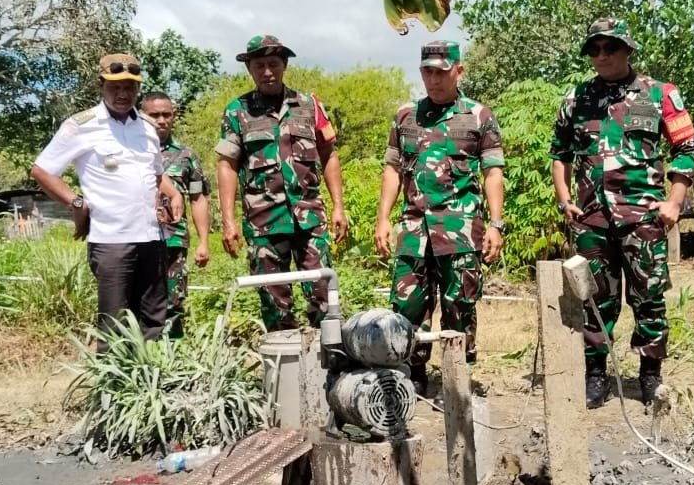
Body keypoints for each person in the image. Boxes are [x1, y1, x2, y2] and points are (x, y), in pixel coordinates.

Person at [550, 18, 694, 408]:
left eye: (610, 48)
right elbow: (560, 155)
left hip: (643, 215)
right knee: (594, 298)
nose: (601, 56)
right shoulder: (576, 99)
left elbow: (686, 148)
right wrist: (565, 199)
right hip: (592, 218)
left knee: (648, 296)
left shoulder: (660, 94)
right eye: (594, 49)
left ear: (628, 49)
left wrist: (675, 201)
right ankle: (596, 374)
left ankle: (650, 375)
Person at [375, 40, 505, 395]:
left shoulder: (479, 116)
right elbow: (391, 170)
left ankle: (456, 377)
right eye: (427, 71)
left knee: (459, 305)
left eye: (441, 71)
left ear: (458, 71)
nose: (433, 79)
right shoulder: (405, 116)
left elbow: (493, 171)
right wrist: (383, 219)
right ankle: (412, 377)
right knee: (407, 306)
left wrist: (496, 224)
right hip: (414, 229)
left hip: (461, 230)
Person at [31, 53, 183, 345]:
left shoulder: (148, 128)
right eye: (115, 87)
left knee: (153, 320)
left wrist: (172, 194)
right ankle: (111, 390)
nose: (124, 94)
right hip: (111, 241)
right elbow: (42, 170)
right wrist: (77, 203)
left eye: (130, 87)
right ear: (101, 85)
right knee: (113, 325)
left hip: (152, 237)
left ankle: (148, 387)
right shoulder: (81, 125)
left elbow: (155, 175)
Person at [215, 35, 348, 331]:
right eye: (259, 65)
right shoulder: (238, 111)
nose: (267, 71)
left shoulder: (309, 105)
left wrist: (339, 207)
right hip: (264, 222)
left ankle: (328, 367)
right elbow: (227, 165)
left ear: (284, 65)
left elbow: (328, 155)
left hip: (310, 218)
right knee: (275, 304)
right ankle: (284, 368)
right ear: (249, 69)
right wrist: (228, 221)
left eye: (273, 64)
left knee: (325, 295)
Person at [141, 91, 211, 339]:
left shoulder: (186, 155)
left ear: (174, 116)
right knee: (138, 302)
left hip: (174, 242)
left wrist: (203, 242)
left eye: (166, 114)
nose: (161, 120)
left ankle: (173, 360)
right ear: (142, 115)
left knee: (174, 302)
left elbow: (198, 198)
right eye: (154, 115)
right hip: (138, 240)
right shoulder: (132, 150)